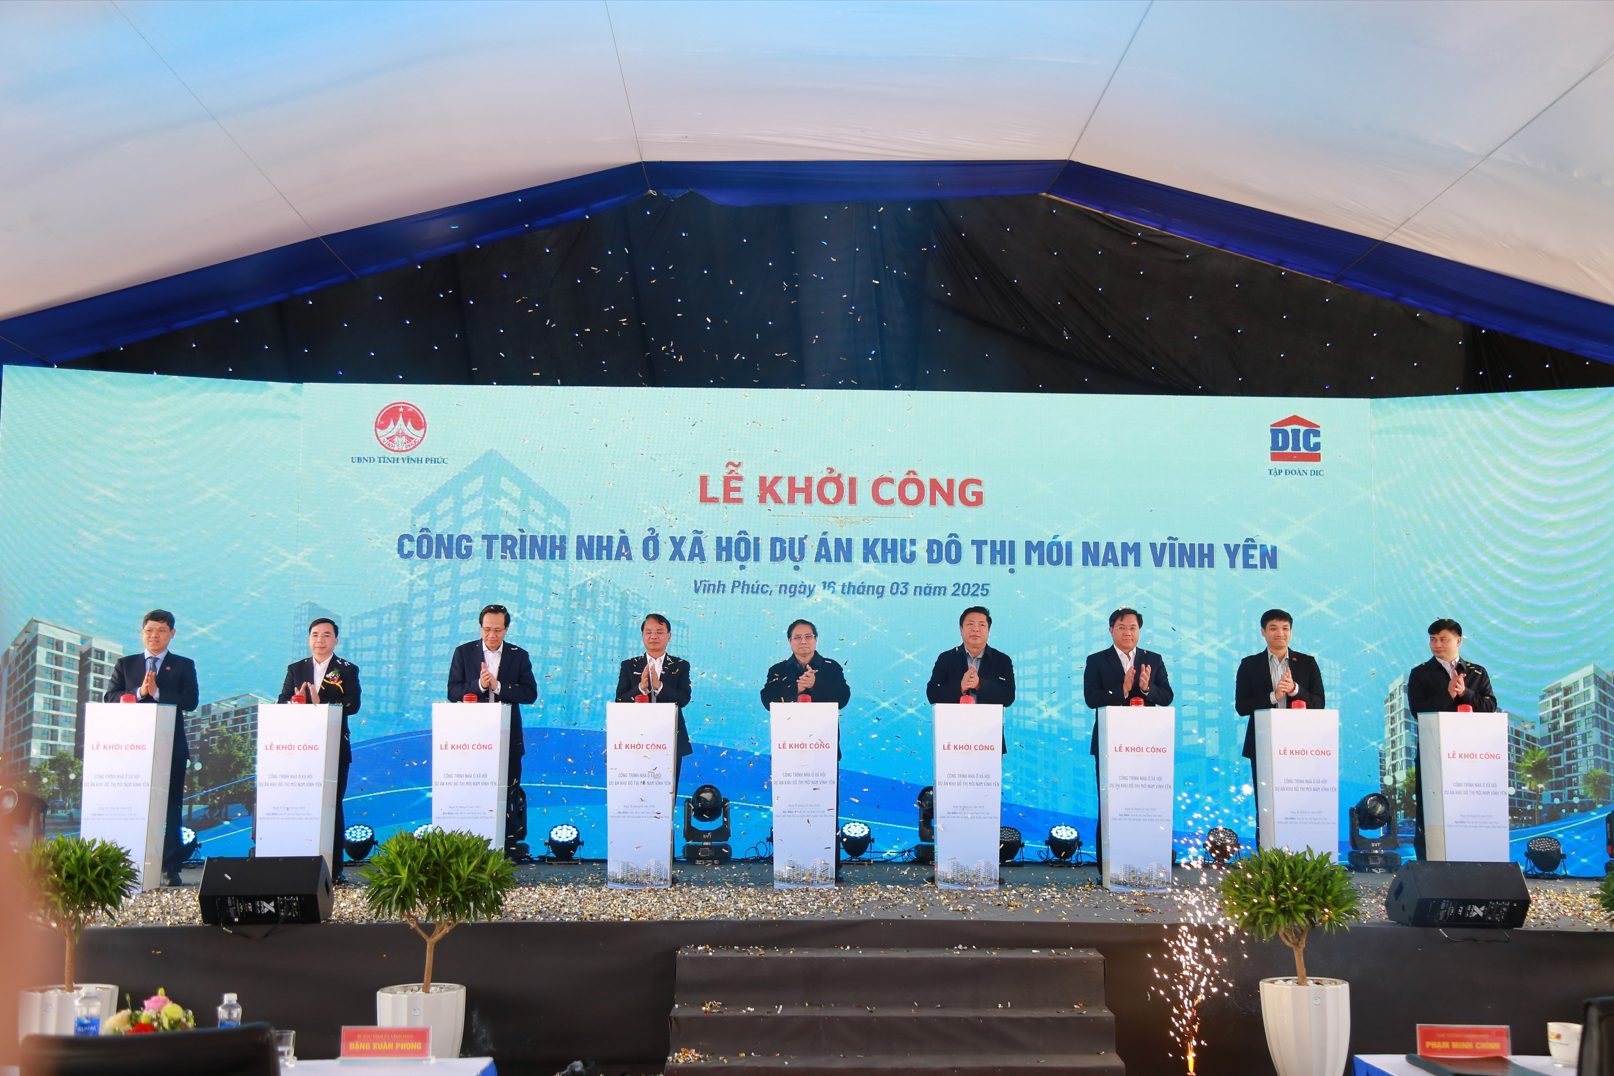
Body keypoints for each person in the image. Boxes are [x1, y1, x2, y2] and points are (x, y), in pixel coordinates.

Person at [103, 609, 198, 887]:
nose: (154, 635)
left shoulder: (183, 665)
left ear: (172, 633)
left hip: (171, 747)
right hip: (132, 747)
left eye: (161, 630)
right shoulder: (126, 664)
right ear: (142, 632)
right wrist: (140, 693)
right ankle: (129, 862)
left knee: (171, 808)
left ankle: (170, 866)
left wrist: (157, 693)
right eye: (149, 630)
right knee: (134, 804)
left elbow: (190, 701)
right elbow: (110, 697)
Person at [1083, 607, 1173, 874]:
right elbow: (1091, 699)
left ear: (1139, 631)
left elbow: (1167, 696)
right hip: (1109, 744)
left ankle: (1147, 863)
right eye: (1121, 627)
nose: (1128, 633)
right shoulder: (1096, 660)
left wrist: (1146, 689)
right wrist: (1121, 690)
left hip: (1147, 746)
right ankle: (1108, 869)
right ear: (1111, 630)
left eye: (1133, 628)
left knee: (1145, 803)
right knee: (1110, 804)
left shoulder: (1153, 659)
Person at [446, 604, 537, 859]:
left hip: (508, 737)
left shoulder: (519, 655)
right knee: (473, 789)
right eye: (487, 629)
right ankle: (469, 844)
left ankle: (508, 846)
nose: (492, 635)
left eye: (497, 630)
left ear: (506, 630)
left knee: (509, 790)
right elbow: (452, 691)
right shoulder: (464, 653)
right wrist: (478, 685)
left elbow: (530, 694)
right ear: (480, 628)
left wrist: (498, 686)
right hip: (471, 739)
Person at [276, 617, 361, 882]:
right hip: (302, 749)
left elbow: (353, 704)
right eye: (315, 635)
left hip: (335, 746)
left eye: (326, 635)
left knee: (332, 806)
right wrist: (296, 703)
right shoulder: (296, 668)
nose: (320, 640)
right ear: (308, 639)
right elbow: (281, 702)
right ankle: (297, 864)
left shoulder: (347, 669)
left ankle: (334, 869)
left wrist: (320, 703)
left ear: (336, 640)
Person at [1407, 617, 1497, 860]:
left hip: (1472, 754)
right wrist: (1448, 695)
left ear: (1458, 641)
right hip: (1433, 753)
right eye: (1433, 639)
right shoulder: (1420, 673)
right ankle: (1428, 861)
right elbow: (1418, 711)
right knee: (1429, 808)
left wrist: (1465, 693)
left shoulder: (1477, 672)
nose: (1437, 645)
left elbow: (1489, 707)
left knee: (1470, 805)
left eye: (1443, 639)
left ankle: (1476, 857)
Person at [1234, 608, 1325, 847]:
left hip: (1301, 747)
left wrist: (1295, 690)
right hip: (1263, 745)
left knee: (1299, 800)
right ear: (1263, 632)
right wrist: (1273, 696)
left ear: (1291, 632)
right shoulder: (1249, 664)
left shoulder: (1307, 663)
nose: (1280, 633)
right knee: (1266, 803)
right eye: (1273, 628)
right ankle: (1266, 853)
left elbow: (1319, 703)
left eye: (1285, 628)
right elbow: (1242, 706)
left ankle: (1304, 851)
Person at [614, 614, 694, 783]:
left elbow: (683, 699)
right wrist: (640, 688)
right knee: (636, 786)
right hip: (635, 739)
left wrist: (659, 686)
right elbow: (620, 701)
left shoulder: (681, 666)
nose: (654, 636)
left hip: (670, 736)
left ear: (669, 636)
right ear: (643, 635)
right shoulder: (629, 665)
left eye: (659, 632)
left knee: (668, 788)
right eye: (649, 632)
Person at [925, 606, 1013, 752]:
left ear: (988, 630)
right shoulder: (946, 658)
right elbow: (932, 694)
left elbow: (1008, 697)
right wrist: (960, 687)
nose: (975, 629)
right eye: (970, 624)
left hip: (989, 741)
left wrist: (980, 684)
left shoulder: (1002, 660)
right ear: (961, 629)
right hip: (951, 741)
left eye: (981, 625)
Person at [760, 620, 850, 709]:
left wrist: (815, 684)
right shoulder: (777, 670)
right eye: (797, 637)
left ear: (816, 639)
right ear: (789, 641)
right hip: (788, 719)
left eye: (808, 636)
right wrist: (797, 688)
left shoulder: (831, 667)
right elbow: (768, 702)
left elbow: (843, 699)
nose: (803, 641)